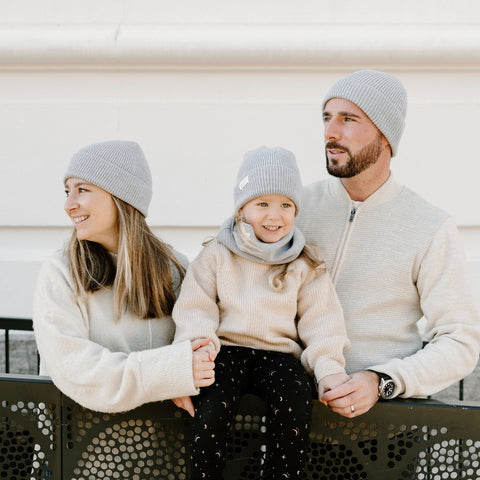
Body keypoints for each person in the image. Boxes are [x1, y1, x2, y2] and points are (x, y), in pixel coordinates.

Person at [297, 69, 480, 418]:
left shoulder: (429, 226)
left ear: (386, 136)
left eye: (348, 119)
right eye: (327, 118)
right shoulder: (293, 210)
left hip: (382, 433)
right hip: (285, 416)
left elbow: (460, 342)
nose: (330, 132)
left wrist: (381, 380)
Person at [172, 146, 350, 480]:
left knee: (296, 401)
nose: (274, 215)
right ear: (242, 209)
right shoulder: (217, 255)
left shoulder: (304, 263)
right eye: (262, 203)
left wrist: (328, 370)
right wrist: (197, 351)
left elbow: (322, 322)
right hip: (225, 352)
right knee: (211, 408)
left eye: (285, 205)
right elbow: (196, 308)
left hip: (278, 356)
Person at [33, 140, 215, 413]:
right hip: (81, 448)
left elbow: (198, 343)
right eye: (67, 191)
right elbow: (78, 370)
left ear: (122, 197)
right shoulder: (60, 272)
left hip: (165, 447)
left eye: (82, 190)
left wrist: (187, 368)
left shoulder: (175, 267)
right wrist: (171, 373)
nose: (69, 205)